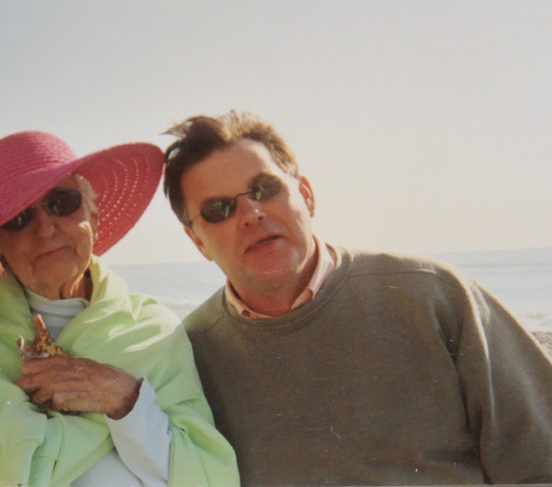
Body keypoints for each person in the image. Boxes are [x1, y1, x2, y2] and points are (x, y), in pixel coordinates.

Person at [162, 110, 552, 485]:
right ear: (198, 241)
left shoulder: (435, 296)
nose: (250, 213)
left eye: (264, 189)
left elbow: (541, 462)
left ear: (306, 195)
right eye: (219, 209)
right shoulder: (188, 353)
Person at [0, 131, 239, 487]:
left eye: (61, 202)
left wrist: (125, 399)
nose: (45, 227)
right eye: (18, 218)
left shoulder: (153, 330)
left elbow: (199, 474)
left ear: (93, 214)